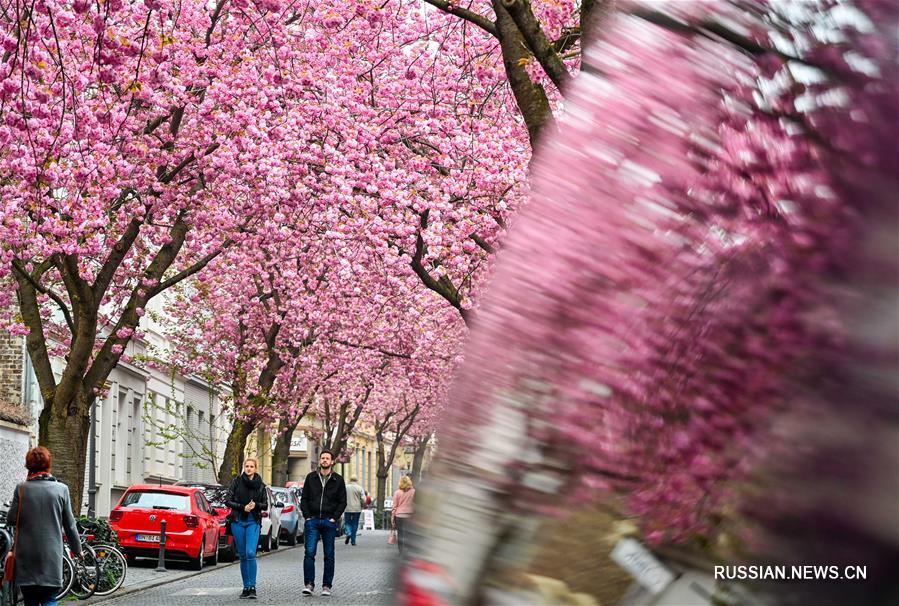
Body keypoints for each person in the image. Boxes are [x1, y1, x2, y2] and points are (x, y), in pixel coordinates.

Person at [7, 446, 82, 606]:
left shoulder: (21, 489)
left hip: (26, 557)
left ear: (28, 466)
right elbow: (70, 525)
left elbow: (11, 519)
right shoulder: (62, 490)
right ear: (48, 464)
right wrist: (77, 550)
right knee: (49, 598)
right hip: (51, 557)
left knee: (30, 599)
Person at [300, 450, 347, 597]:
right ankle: (309, 584)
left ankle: (326, 586)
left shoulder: (338, 480)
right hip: (312, 520)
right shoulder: (311, 478)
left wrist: (334, 517)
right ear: (320, 461)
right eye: (322, 458)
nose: (325, 460)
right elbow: (304, 499)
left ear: (332, 461)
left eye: (327, 458)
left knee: (329, 555)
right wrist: (307, 516)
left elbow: (342, 501)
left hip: (329, 521)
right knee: (309, 553)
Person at [225, 458, 268, 600]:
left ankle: (252, 587)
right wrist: (242, 507)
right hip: (238, 521)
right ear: (244, 467)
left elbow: (265, 505)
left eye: (251, 466)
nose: (249, 468)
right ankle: (246, 587)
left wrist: (255, 505)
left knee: (250, 552)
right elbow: (228, 500)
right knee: (243, 555)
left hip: (253, 522)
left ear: (255, 468)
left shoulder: (261, 485)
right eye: (247, 466)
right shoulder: (236, 482)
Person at [391, 476, 415, 555]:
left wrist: (392, 518)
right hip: (410, 515)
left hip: (399, 516)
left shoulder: (397, 492)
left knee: (400, 534)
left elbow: (394, 507)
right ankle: (408, 551)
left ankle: (401, 552)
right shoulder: (413, 492)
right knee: (409, 534)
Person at [343, 476, 365, 546]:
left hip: (347, 508)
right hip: (357, 508)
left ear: (350, 480)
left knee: (347, 522)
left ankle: (348, 532)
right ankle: (353, 541)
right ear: (356, 480)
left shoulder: (346, 487)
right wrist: (362, 505)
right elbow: (363, 499)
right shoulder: (359, 488)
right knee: (355, 524)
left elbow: (341, 496)